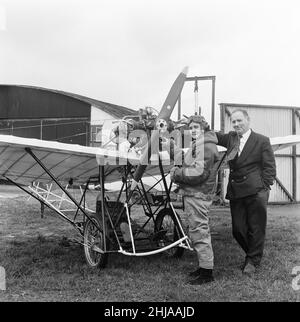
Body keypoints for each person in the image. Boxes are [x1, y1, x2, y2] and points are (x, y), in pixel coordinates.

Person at [216, 109, 276, 275]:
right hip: (237, 190)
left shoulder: (262, 140)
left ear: (248, 120)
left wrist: (264, 186)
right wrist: (197, 126)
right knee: (238, 229)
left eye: (239, 120)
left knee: (256, 227)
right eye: (233, 121)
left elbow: (269, 166)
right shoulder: (230, 138)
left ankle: (252, 261)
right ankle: (254, 254)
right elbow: (213, 135)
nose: (236, 124)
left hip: (257, 191)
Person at [167, 115, 220, 285]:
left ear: (204, 128)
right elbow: (189, 163)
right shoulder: (201, 144)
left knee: (200, 231)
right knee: (197, 230)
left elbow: (198, 173)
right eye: (191, 128)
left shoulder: (206, 146)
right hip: (195, 193)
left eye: (197, 127)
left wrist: (176, 174)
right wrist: (173, 149)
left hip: (198, 194)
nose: (193, 130)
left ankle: (207, 273)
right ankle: (203, 267)